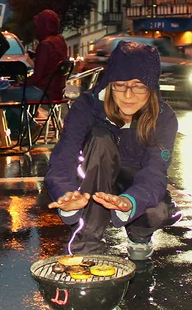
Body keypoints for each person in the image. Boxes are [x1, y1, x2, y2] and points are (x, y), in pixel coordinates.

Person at [44, 41, 181, 260]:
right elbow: (64, 154)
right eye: (120, 84)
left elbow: (156, 171)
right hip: (94, 179)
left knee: (156, 210)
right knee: (100, 137)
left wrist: (130, 201)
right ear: (110, 82)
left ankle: (139, 235)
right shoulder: (87, 106)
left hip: (135, 181)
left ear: (151, 88)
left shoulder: (164, 118)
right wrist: (65, 192)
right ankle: (86, 242)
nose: (128, 95)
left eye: (138, 85)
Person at [0, 9, 68, 141]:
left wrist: (21, 83)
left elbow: (37, 77)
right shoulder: (61, 41)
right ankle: (32, 125)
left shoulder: (45, 45)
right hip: (57, 91)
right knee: (12, 95)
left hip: (43, 91)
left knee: (0, 94)